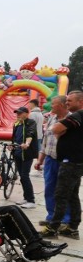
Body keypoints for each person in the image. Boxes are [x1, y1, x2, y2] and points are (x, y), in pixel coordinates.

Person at [42, 90, 83, 240]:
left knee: (60, 194)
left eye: (70, 101)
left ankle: (53, 227)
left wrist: (60, 131)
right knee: (72, 195)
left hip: (70, 162)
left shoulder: (77, 116)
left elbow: (55, 129)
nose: (67, 104)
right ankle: (72, 227)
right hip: (75, 161)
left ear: (80, 102)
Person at [35, 96, 71, 226]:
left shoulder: (72, 119)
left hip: (65, 161)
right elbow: (45, 141)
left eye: (54, 104)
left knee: (64, 190)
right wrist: (40, 160)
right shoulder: (51, 118)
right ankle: (51, 216)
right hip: (50, 160)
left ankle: (65, 219)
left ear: (62, 105)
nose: (51, 106)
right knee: (49, 189)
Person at [11, 106, 38, 208]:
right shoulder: (16, 124)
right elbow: (14, 137)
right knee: (22, 177)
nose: (18, 115)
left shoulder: (30, 122)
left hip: (27, 154)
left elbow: (30, 133)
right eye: (17, 113)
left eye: (20, 113)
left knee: (25, 176)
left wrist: (27, 144)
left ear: (26, 114)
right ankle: (26, 198)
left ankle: (31, 200)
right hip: (17, 153)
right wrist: (11, 145)